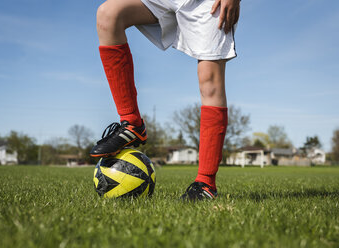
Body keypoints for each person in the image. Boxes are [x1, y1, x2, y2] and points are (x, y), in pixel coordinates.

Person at [90, 0, 240, 201]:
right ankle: (132, 123)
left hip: (208, 4)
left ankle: (205, 183)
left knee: (210, 80)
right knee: (108, 15)